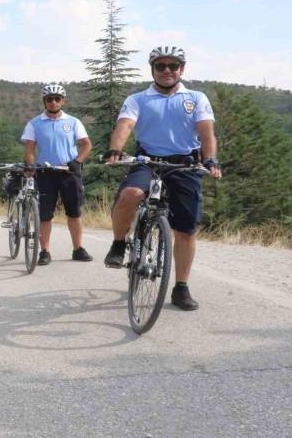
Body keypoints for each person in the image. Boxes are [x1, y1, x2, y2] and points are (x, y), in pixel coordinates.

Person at [102, 45, 222, 311]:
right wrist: (115, 148)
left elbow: (206, 132)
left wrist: (210, 158)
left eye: (173, 66)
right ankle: (119, 244)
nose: (167, 70)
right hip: (149, 161)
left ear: (182, 69)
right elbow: (125, 125)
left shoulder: (196, 97)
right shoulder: (138, 99)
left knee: (186, 229)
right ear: (152, 69)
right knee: (130, 195)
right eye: (160, 66)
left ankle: (180, 288)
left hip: (184, 164)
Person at [21, 84, 94, 266]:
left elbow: (87, 144)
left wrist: (77, 162)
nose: (53, 102)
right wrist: (30, 164)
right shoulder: (34, 123)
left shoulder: (73, 122)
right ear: (44, 102)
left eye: (57, 99)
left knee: (74, 213)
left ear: (63, 101)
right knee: (45, 215)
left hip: (69, 173)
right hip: (45, 174)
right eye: (49, 99)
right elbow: (30, 147)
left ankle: (78, 249)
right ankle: (44, 251)